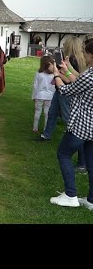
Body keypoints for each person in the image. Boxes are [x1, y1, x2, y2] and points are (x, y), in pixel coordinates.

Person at [49, 41, 93, 210]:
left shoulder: (90, 75)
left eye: (85, 52)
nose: (83, 55)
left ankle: (70, 195)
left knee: (63, 154)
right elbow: (79, 81)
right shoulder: (89, 74)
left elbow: (67, 90)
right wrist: (66, 69)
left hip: (82, 125)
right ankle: (91, 200)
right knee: (91, 163)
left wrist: (56, 74)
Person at [31, 55, 55, 133]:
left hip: (39, 95)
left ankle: (35, 128)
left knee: (37, 111)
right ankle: (45, 129)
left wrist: (33, 96)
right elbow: (53, 87)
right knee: (47, 113)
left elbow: (35, 86)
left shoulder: (38, 73)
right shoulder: (54, 74)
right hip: (49, 96)